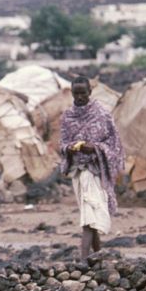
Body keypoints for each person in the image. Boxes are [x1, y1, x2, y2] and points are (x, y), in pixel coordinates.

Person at [59, 76, 125, 260]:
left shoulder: (101, 115)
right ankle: (98, 256)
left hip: (96, 170)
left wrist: (95, 148)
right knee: (89, 213)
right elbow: (62, 144)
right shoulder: (67, 117)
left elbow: (114, 144)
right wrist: (71, 148)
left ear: (90, 92)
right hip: (78, 171)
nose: (79, 97)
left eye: (83, 93)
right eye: (76, 93)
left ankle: (83, 259)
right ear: (72, 93)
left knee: (89, 214)